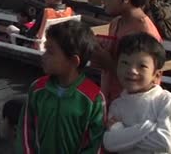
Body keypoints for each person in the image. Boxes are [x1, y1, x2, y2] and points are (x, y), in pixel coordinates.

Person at [16, 21, 105, 153]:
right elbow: (25, 132)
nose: (44, 56)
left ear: (74, 61)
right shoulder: (37, 89)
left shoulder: (94, 98)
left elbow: (96, 144)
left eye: (50, 52)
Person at [91, 0, 162, 104]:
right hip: (110, 105)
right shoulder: (116, 23)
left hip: (132, 114)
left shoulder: (145, 32)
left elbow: (147, 82)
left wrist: (108, 63)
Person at [103, 33, 171, 153]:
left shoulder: (166, 100)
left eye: (142, 66)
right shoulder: (117, 105)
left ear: (157, 74)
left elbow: (165, 143)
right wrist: (148, 127)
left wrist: (121, 131)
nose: (132, 70)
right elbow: (109, 143)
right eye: (125, 63)